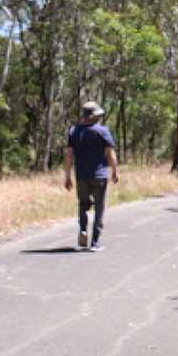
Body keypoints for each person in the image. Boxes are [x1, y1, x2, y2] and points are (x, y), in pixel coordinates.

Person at [64, 101, 119, 251]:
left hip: (81, 175)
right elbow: (110, 153)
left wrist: (67, 175)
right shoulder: (102, 131)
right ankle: (95, 242)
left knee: (83, 204)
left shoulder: (73, 131)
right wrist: (114, 170)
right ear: (92, 116)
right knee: (99, 208)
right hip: (100, 175)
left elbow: (69, 155)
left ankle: (83, 229)